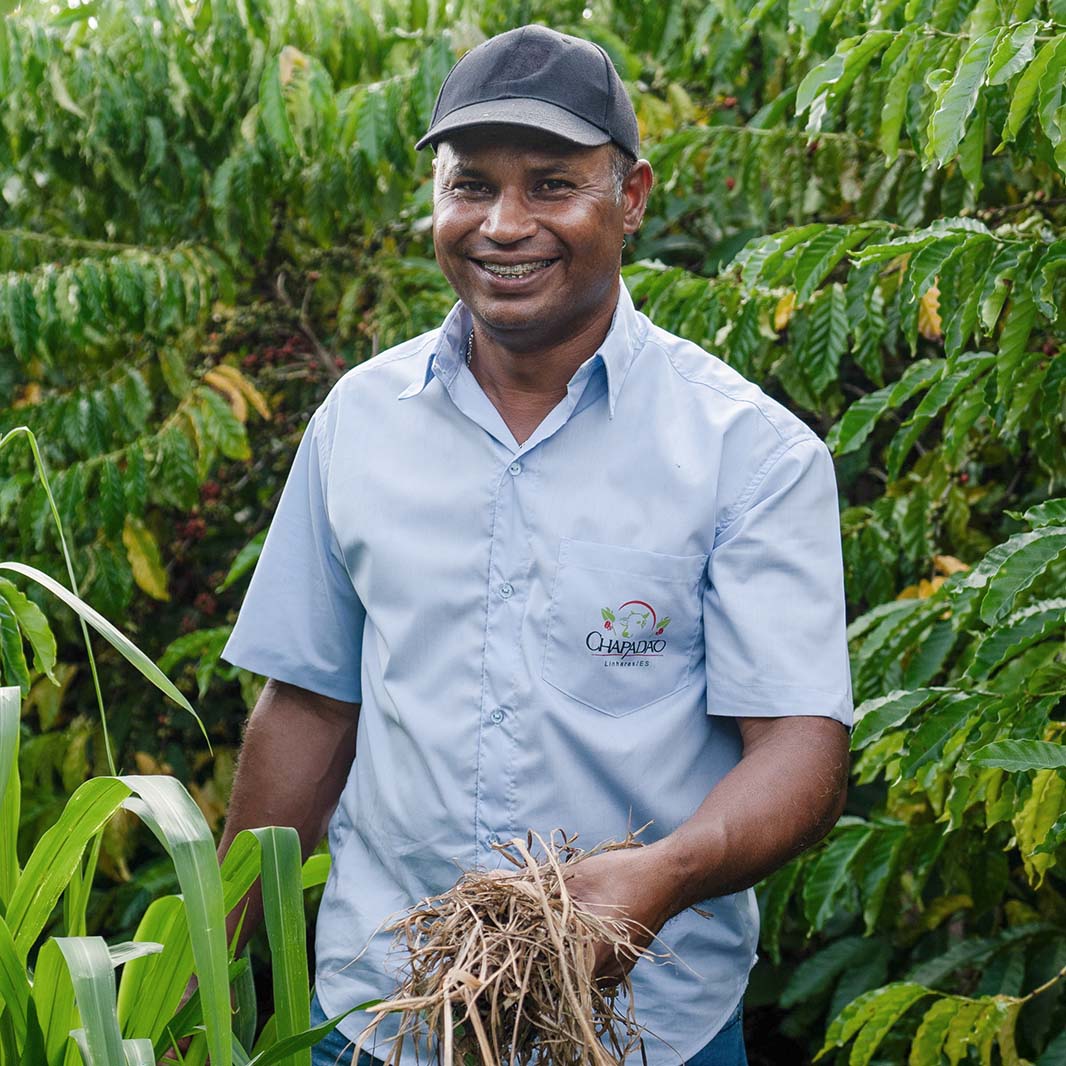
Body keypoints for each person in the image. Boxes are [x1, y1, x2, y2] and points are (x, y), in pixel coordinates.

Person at [218, 24, 853, 1066]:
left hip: (645, 1031)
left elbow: (797, 749)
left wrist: (668, 874)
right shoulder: (358, 420)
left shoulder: (746, 452)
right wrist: (195, 975)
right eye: (470, 186)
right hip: (378, 1019)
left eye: (552, 184)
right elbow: (308, 704)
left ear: (631, 197)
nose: (503, 225)